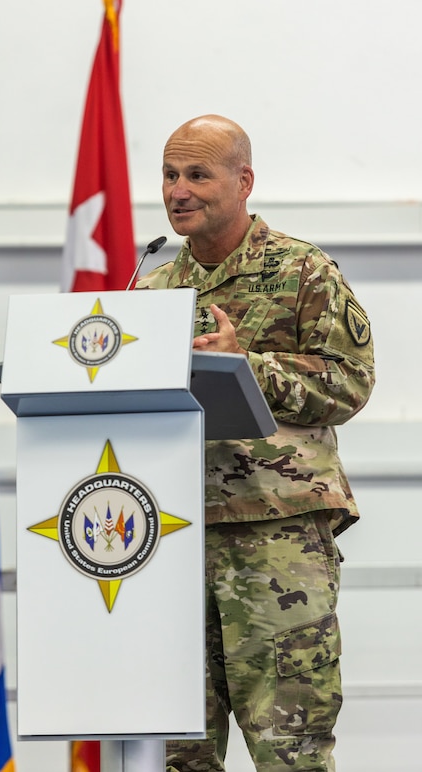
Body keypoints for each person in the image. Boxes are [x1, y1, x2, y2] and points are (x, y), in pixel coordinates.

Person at [135, 115, 375, 772]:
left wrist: (250, 366)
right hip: (169, 542)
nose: (178, 190)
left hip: (276, 540)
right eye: (169, 174)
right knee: (177, 754)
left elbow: (351, 384)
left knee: (289, 750)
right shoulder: (150, 287)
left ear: (243, 182)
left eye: (197, 175)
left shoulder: (303, 271)